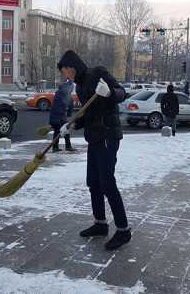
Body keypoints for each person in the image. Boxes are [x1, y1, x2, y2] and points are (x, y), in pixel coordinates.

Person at [57, 50, 131, 251]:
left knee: (107, 183)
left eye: (65, 72)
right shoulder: (80, 85)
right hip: (95, 137)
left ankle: (123, 230)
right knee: (94, 183)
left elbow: (122, 93)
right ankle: (100, 224)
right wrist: (73, 125)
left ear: (72, 67)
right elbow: (88, 113)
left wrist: (110, 92)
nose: (66, 76)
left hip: (108, 135)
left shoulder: (98, 72)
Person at [49, 79, 76, 152]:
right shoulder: (60, 93)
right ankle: (55, 147)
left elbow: (70, 105)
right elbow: (58, 106)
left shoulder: (66, 93)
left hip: (61, 116)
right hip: (56, 116)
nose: (71, 90)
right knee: (57, 131)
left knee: (66, 129)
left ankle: (68, 146)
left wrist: (68, 114)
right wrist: (62, 116)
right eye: (71, 88)